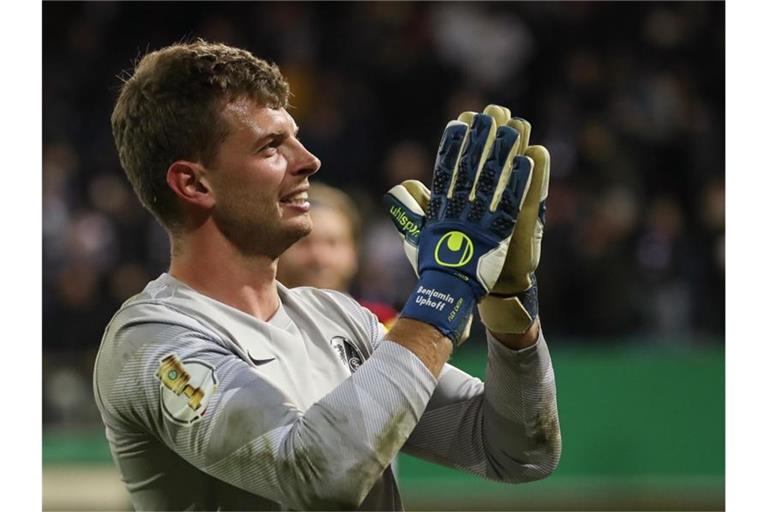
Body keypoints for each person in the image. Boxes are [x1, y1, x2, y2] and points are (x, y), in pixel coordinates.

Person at [93, 40, 561, 511]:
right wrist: (443, 291)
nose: (308, 160)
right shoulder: (150, 343)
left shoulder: (338, 319)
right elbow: (318, 475)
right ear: (193, 184)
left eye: (294, 137)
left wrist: (507, 310)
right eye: (271, 146)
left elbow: (517, 452)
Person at [276, 182, 398, 328]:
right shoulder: (257, 324)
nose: (319, 257)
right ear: (277, 249)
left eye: (332, 242)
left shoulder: (387, 326)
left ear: (354, 251)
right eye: (304, 242)